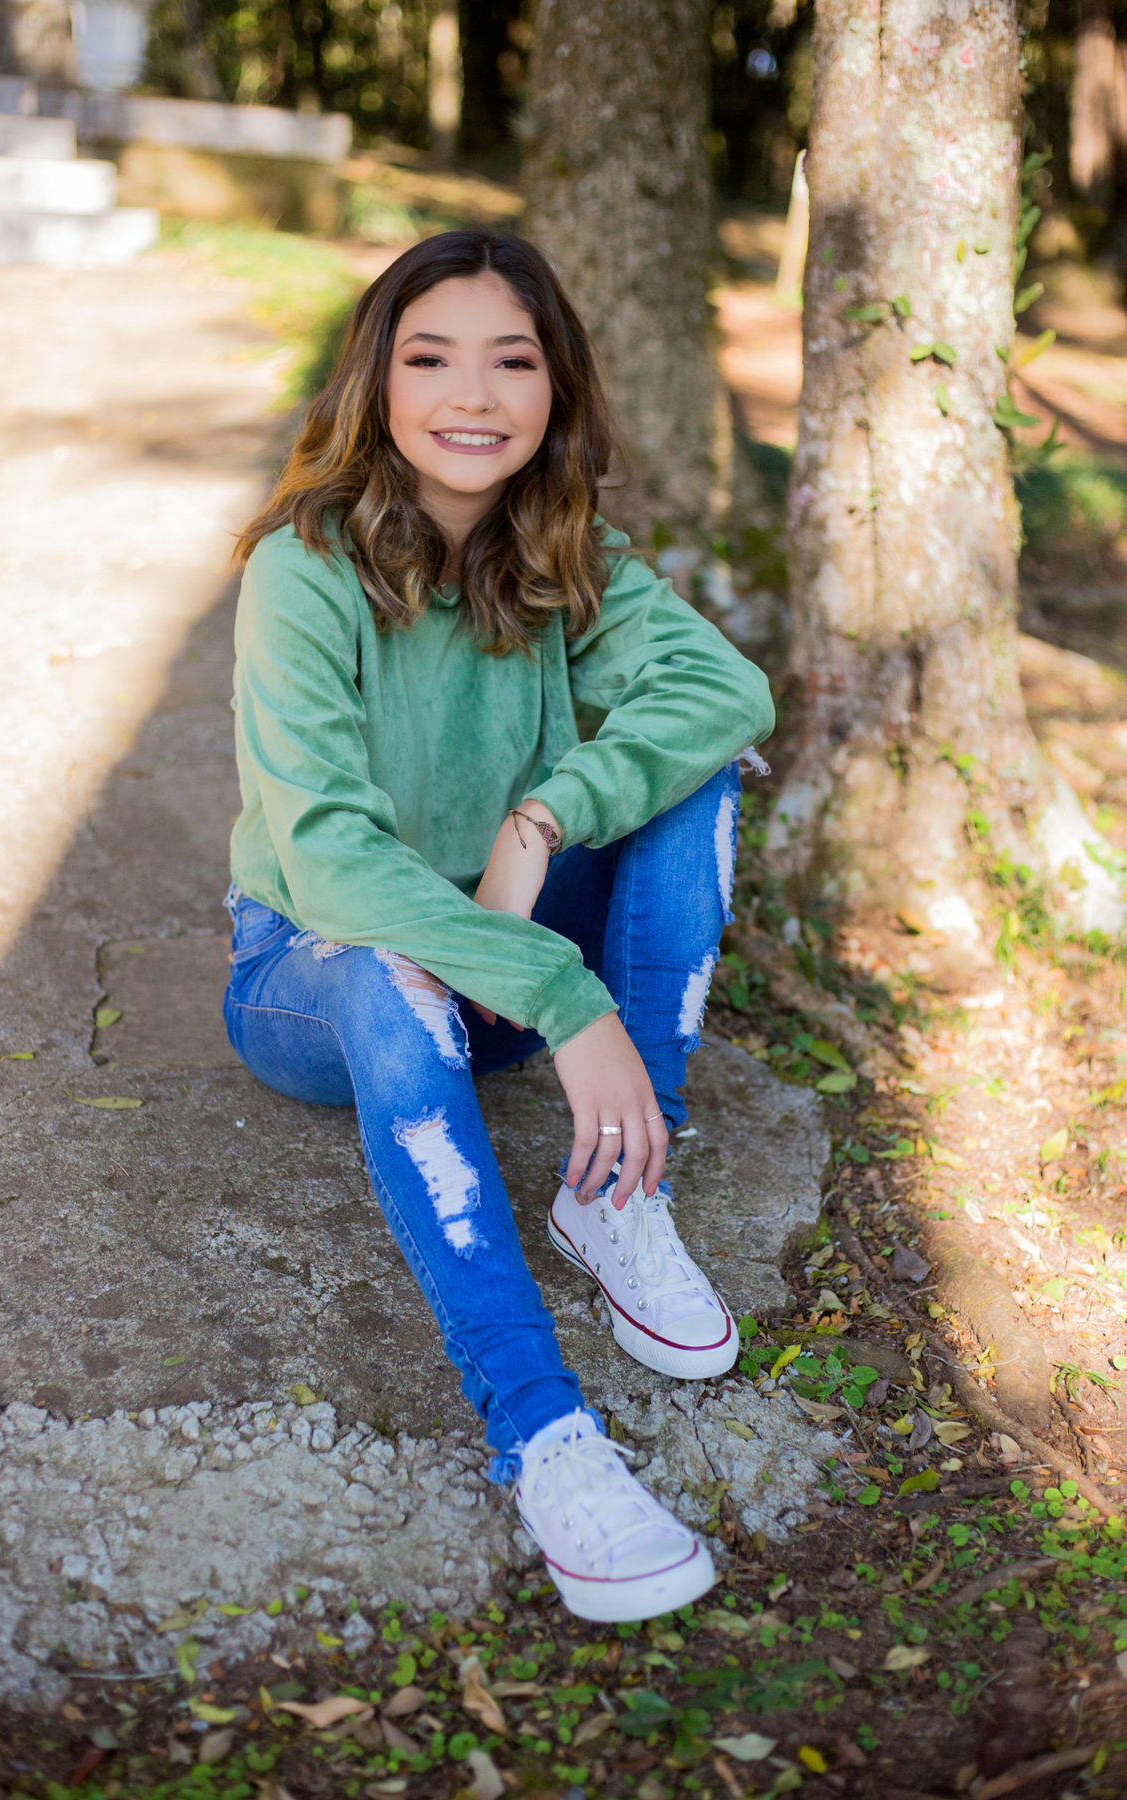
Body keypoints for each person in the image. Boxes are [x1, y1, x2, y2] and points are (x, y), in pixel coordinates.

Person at [223, 228, 775, 1623]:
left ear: (555, 389)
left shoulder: (559, 556)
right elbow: (333, 857)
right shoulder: (302, 570)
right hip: (320, 968)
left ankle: (618, 1190)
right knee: (388, 970)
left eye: (511, 359)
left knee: (688, 782)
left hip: (497, 943)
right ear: (379, 383)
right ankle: (544, 1434)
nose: (473, 393)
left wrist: (540, 823)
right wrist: (567, 997)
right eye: (431, 357)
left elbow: (723, 694)